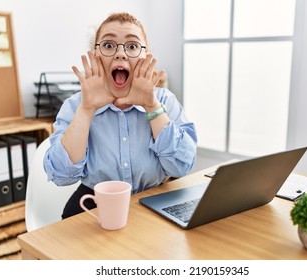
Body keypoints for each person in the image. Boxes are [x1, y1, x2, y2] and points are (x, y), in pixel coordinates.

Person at [43, 12, 197, 219]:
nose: (121, 54)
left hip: (154, 198)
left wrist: (151, 106)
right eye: (108, 45)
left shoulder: (164, 101)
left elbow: (182, 166)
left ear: (145, 57)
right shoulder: (75, 106)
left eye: (132, 46)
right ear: (95, 55)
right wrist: (87, 109)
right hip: (93, 203)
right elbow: (61, 176)